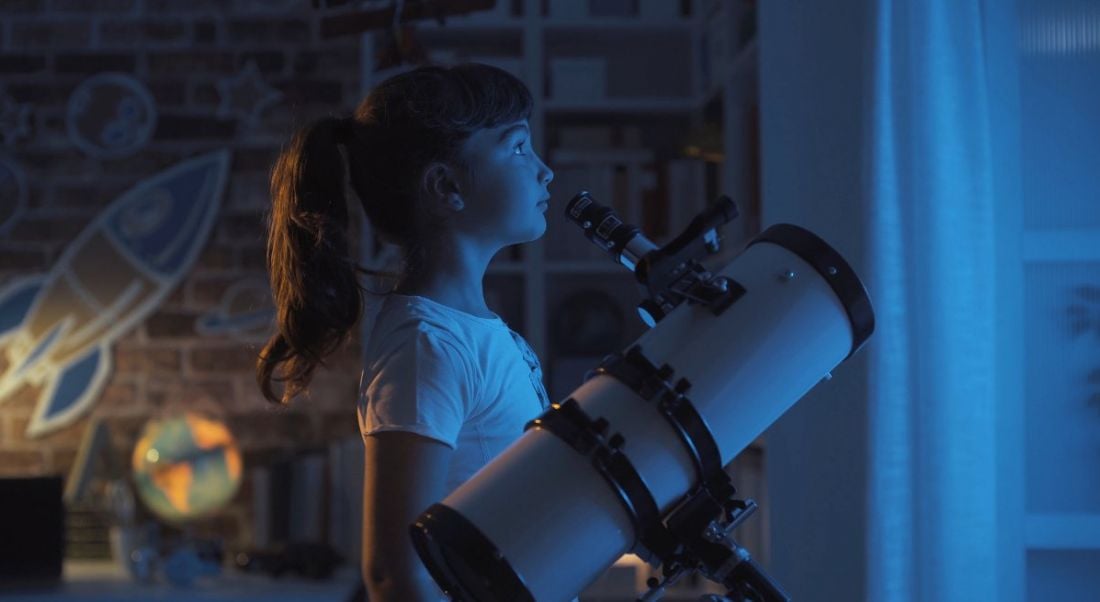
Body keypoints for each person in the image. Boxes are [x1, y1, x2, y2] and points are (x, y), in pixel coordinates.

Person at [256, 62, 555, 601]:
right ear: (446, 186)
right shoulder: (427, 346)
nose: (544, 171)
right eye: (517, 148)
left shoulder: (472, 331)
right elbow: (395, 575)